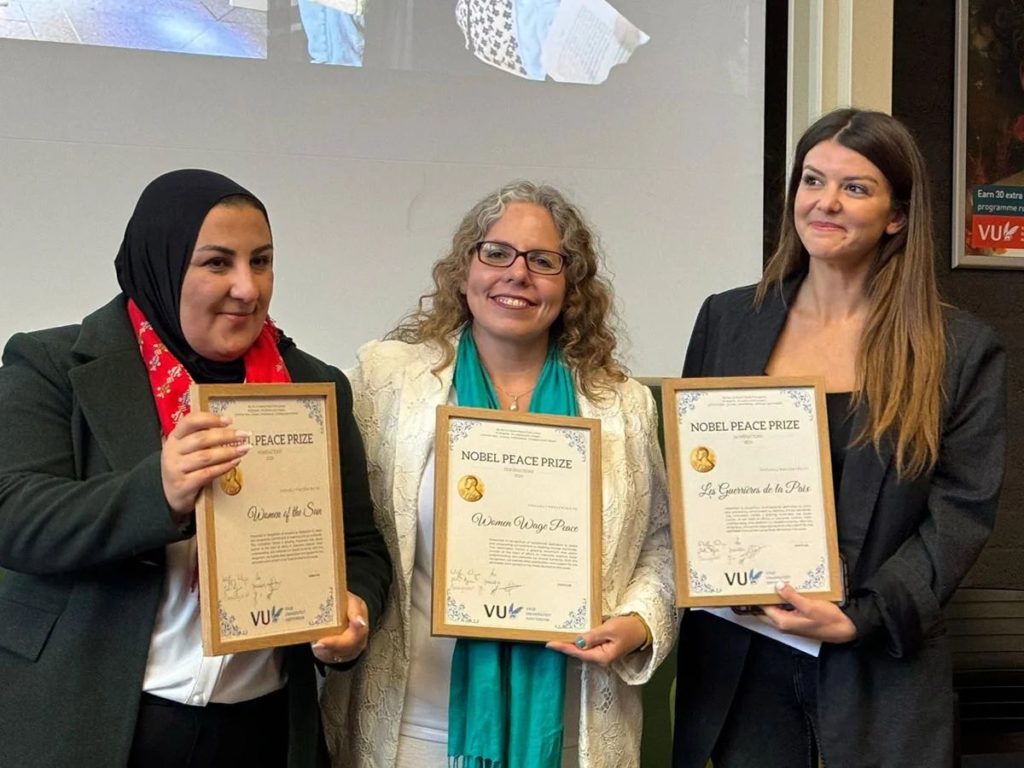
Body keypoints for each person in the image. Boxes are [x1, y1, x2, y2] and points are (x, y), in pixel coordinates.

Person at [0, 169, 392, 768]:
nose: (247, 287)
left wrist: (352, 614)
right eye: (216, 263)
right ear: (160, 265)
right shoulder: (52, 364)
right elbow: (15, 516)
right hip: (93, 721)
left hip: (259, 728)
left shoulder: (314, 387)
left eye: (261, 261)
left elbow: (359, 547)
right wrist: (158, 492)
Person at [672, 109, 1007, 767]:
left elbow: (960, 514)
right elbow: (693, 479)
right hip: (741, 667)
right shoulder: (727, 318)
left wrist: (862, 616)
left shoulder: (959, 350)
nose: (825, 202)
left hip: (879, 666)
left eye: (855, 188)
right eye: (812, 180)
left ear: (897, 216)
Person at [321, 180, 676, 767]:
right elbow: (341, 524)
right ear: (465, 270)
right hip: (415, 730)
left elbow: (661, 545)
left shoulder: (622, 405)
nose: (518, 274)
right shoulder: (387, 383)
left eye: (544, 261)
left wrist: (638, 621)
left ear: (572, 285)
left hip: (572, 731)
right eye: (497, 253)